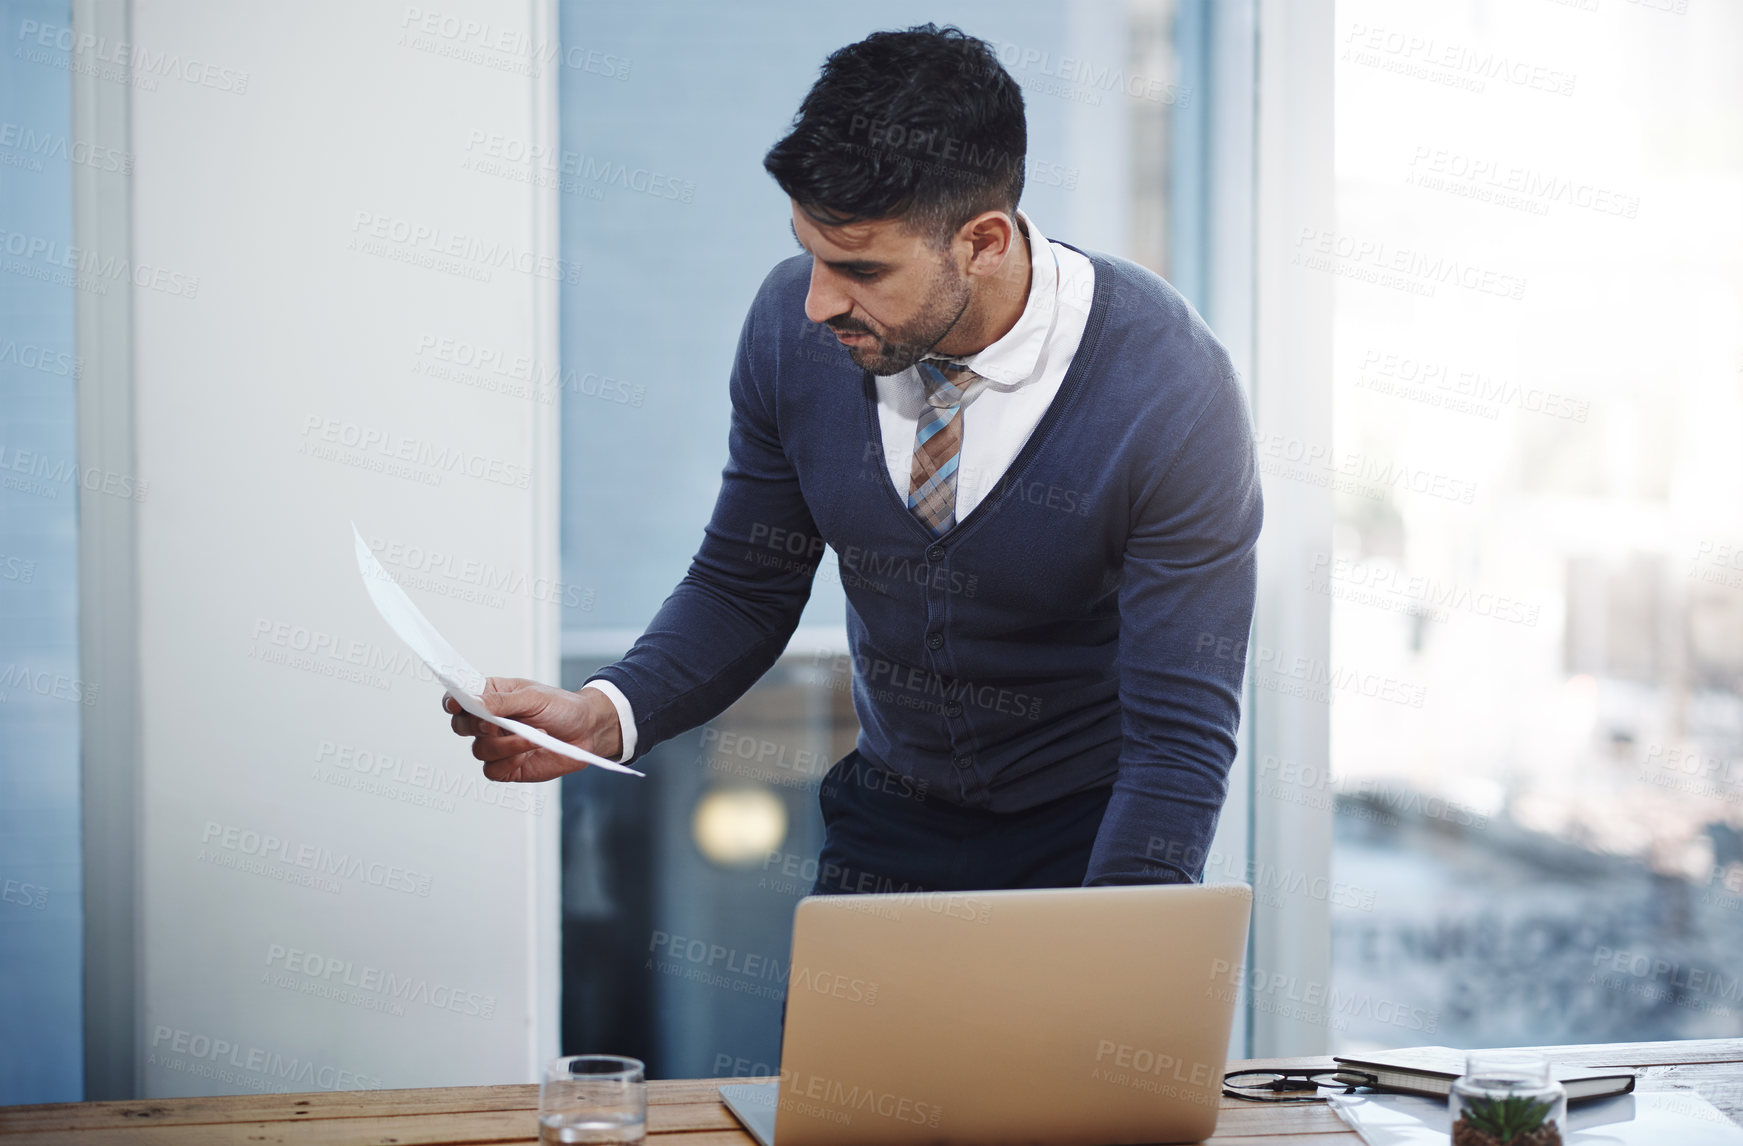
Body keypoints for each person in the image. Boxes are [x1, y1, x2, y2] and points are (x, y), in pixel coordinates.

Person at [446, 23, 1262, 894]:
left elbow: (1177, 736)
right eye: (808, 252)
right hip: (888, 814)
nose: (815, 302)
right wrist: (601, 714)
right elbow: (742, 585)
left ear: (982, 242)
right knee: (836, 1038)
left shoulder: (1171, 388)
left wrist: (1125, 945)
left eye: (861, 269)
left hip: (1091, 834)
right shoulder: (791, 335)